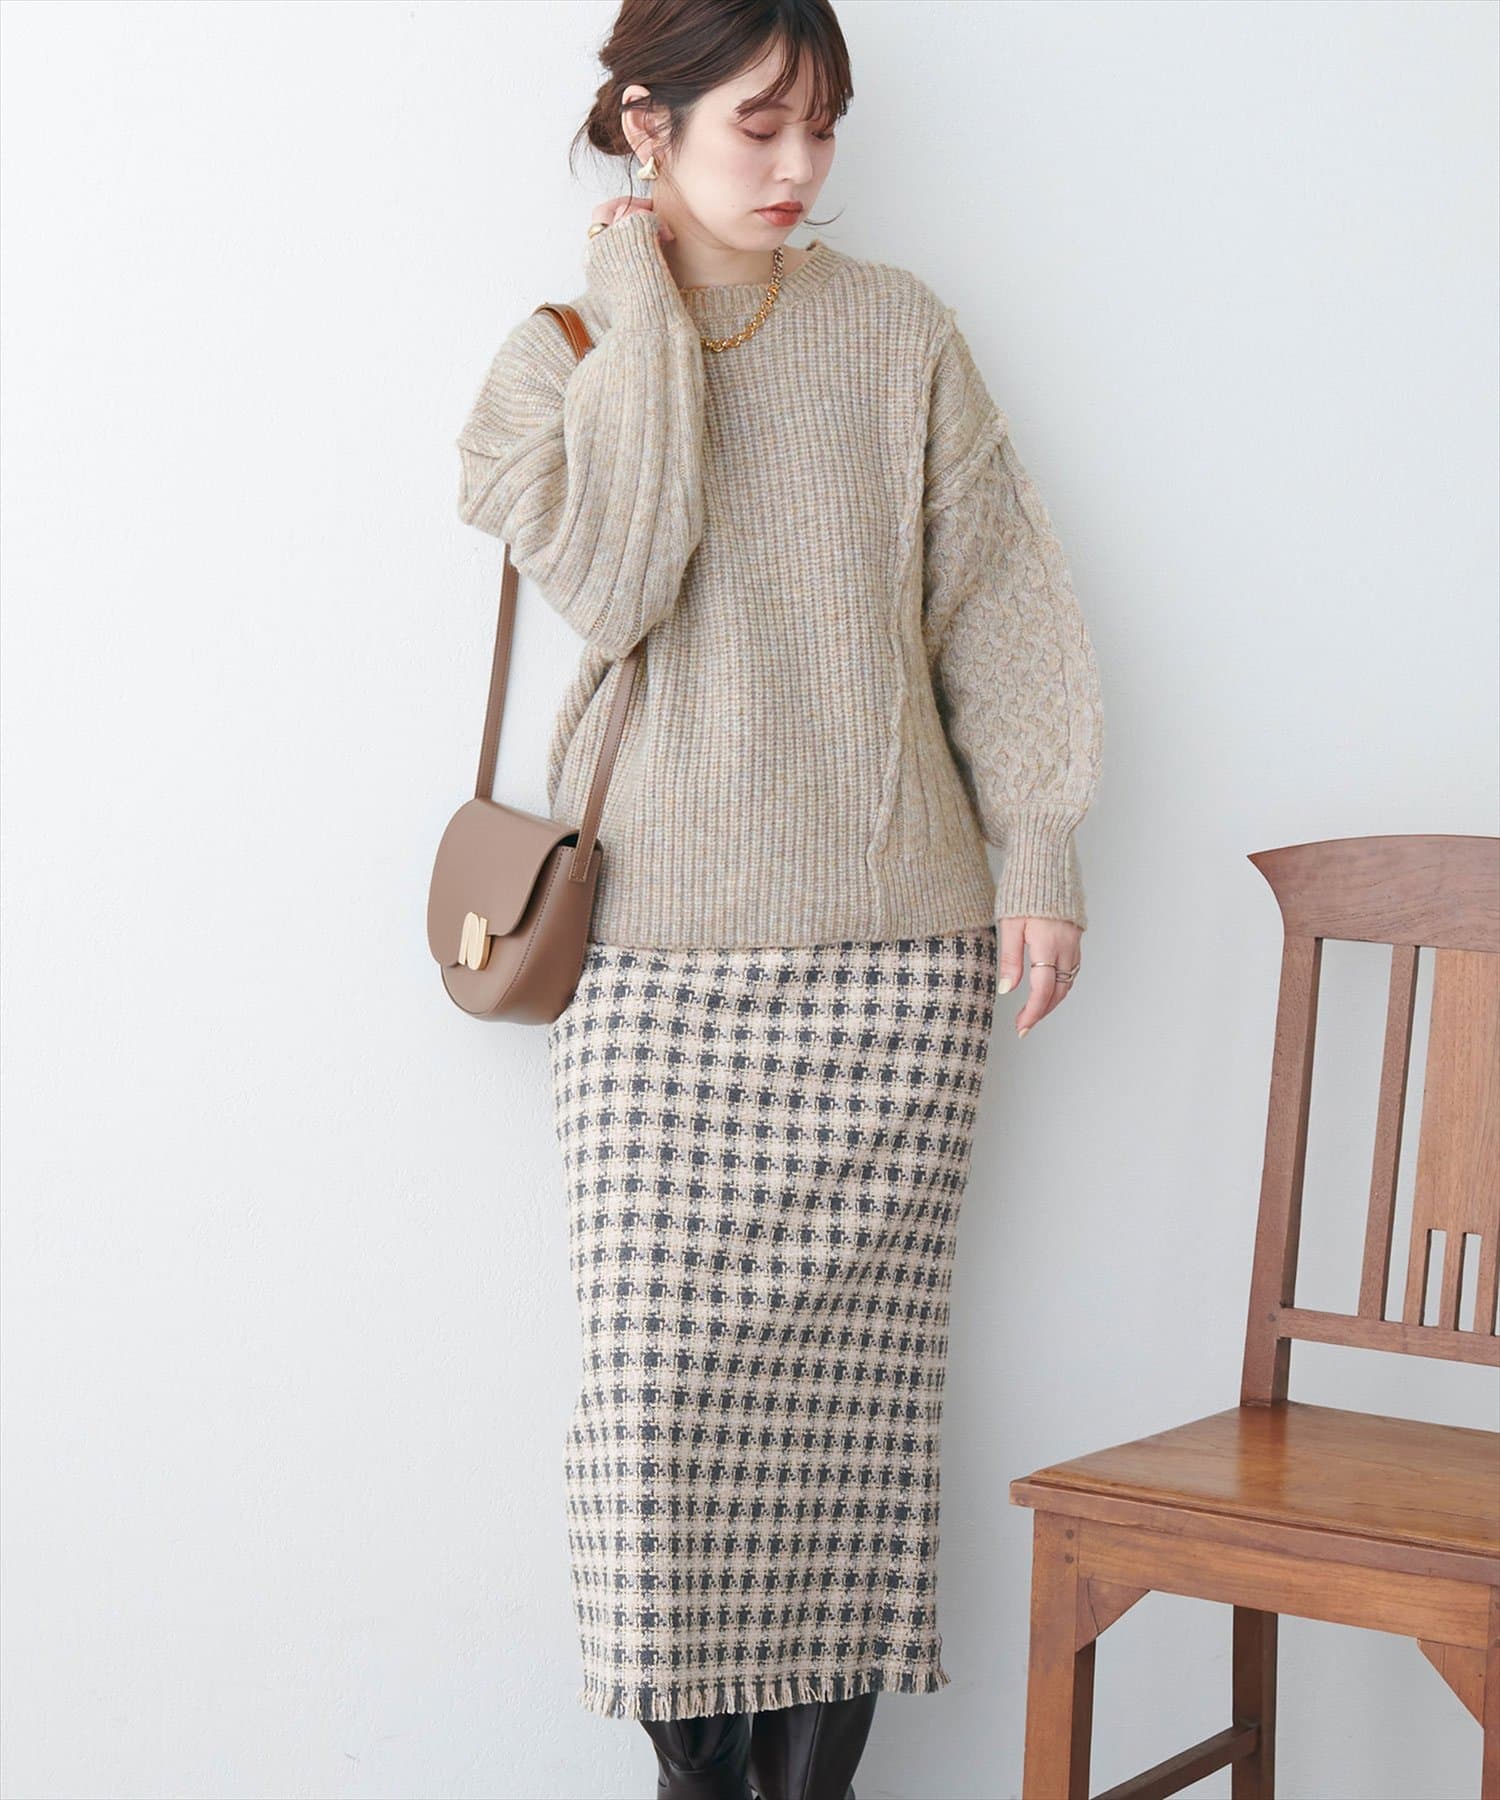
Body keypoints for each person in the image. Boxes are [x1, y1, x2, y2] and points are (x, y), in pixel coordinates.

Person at [453, 1, 1104, 1793]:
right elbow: (619, 573)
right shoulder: (557, 356)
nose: (802, 166)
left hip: (894, 966)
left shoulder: (900, 332)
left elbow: (997, 603)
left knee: (850, 1448)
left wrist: (1041, 848)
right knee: (656, 1427)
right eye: (761, 124)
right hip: (656, 974)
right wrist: (645, 303)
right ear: (646, 127)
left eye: (826, 124)